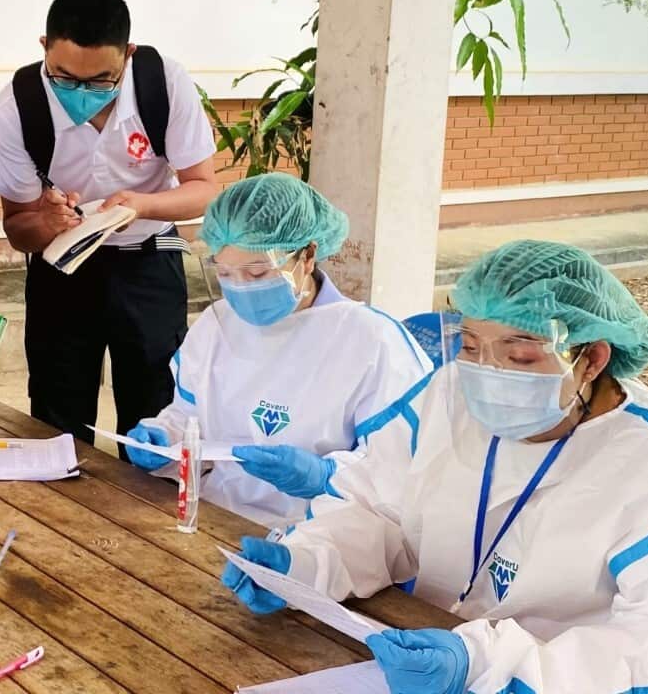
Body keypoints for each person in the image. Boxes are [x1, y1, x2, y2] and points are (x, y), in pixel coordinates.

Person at [221, 240, 648, 694]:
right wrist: (307, 563)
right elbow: (380, 508)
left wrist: (496, 668)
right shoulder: (450, 396)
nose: (487, 375)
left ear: (591, 360)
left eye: (521, 356)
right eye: (471, 346)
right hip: (416, 650)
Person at [0, 0, 220, 457]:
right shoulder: (19, 105)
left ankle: (150, 521)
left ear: (128, 56)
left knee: (155, 411)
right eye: (64, 77)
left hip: (148, 260)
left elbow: (204, 188)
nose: (81, 92)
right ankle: (59, 517)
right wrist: (48, 223)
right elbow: (17, 226)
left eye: (101, 80)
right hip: (63, 270)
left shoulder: (163, 84)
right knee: (57, 415)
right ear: (44, 50)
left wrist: (140, 205)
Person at [123, 173, 432, 527]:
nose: (240, 288)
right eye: (225, 273)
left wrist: (325, 475)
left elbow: (401, 468)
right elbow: (189, 418)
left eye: (258, 273)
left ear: (308, 254)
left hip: (324, 538)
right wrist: (165, 439)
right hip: (216, 516)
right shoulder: (216, 326)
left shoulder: (372, 341)